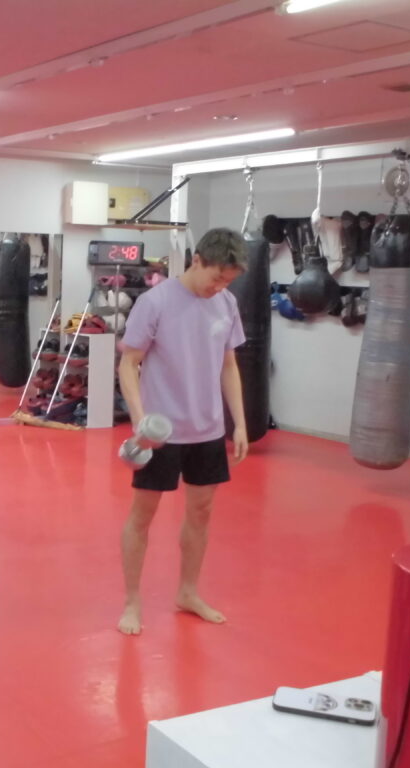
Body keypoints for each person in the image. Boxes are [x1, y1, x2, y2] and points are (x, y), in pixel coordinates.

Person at [116, 228, 249, 636]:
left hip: (207, 428)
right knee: (143, 515)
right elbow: (129, 364)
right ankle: (132, 601)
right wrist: (139, 419)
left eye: (228, 281)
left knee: (201, 512)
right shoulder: (155, 302)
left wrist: (240, 423)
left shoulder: (226, 304)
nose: (220, 287)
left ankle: (188, 592)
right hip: (162, 430)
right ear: (197, 261)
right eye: (217, 277)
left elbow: (228, 365)